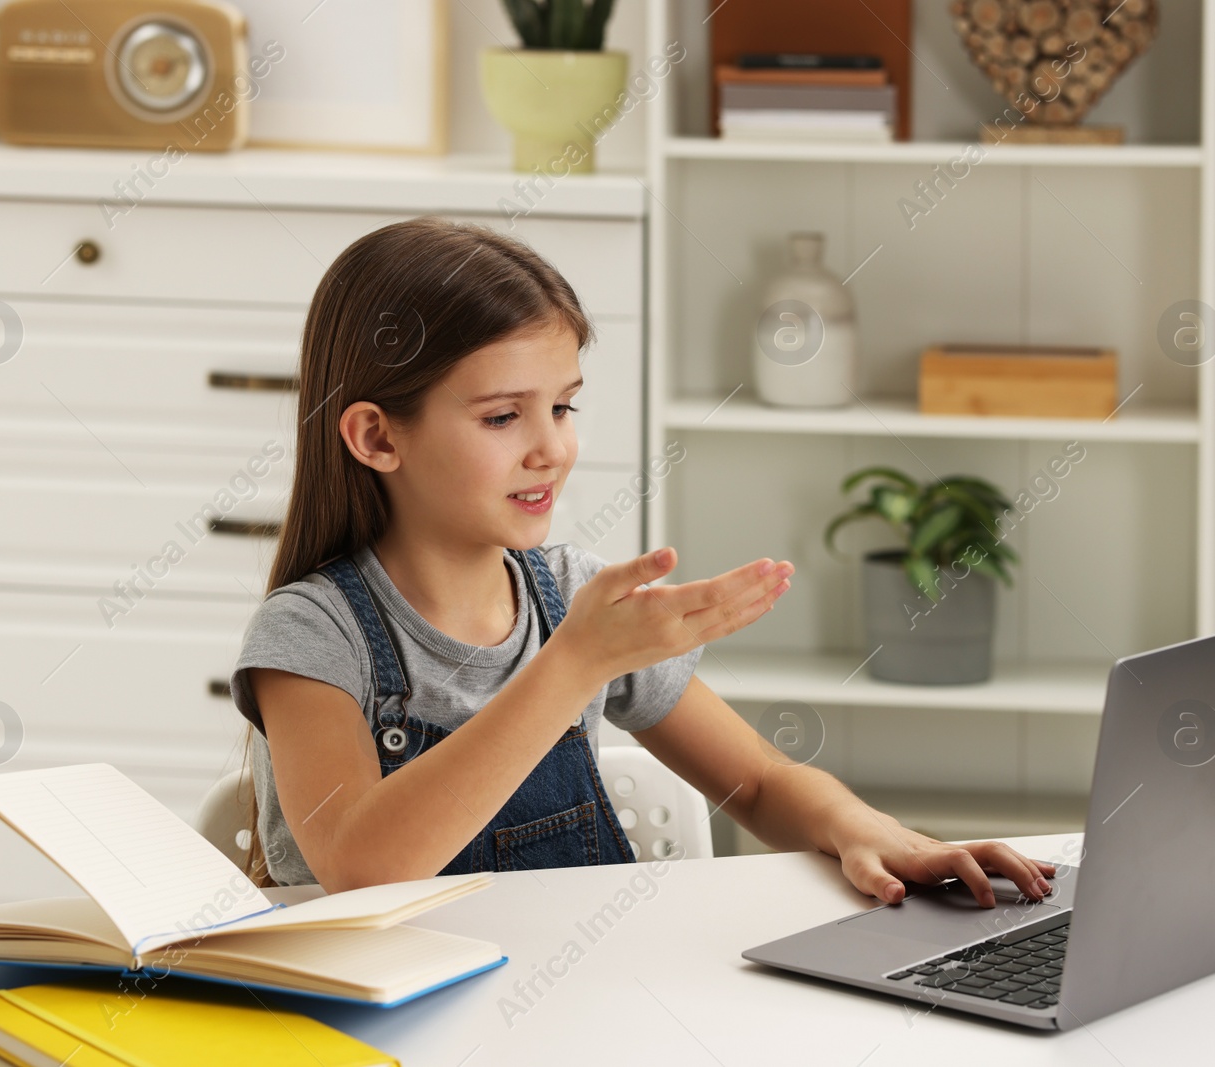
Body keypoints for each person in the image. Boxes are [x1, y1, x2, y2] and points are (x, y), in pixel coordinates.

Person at [228, 216, 1055, 907]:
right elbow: (362, 867)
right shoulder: (312, 634)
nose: (551, 447)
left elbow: (760, 783)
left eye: (562, 405)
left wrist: (874, 831)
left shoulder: (574, 598)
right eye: (502, 417)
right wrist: (573, 663)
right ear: (378, 436)